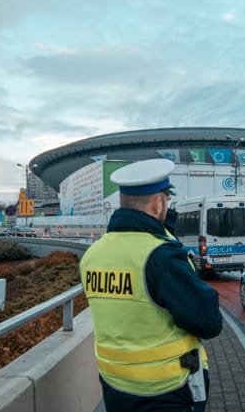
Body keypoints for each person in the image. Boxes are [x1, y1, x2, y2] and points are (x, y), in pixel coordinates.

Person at [79, 159, 222, 412]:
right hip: (167, 390)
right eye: (166, 199)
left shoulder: (93, 254)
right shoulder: (161, 256)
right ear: (158, 203)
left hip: (116, 386)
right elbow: (208, 322)